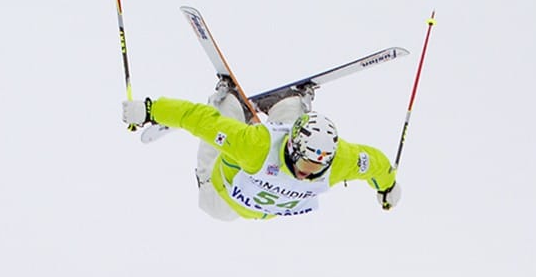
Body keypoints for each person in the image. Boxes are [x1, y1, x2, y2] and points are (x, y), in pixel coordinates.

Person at [121, 84, 401, 223]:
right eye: (305, 162)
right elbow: (199, 121)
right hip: (225, 193)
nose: (307, 172)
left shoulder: (339, 160)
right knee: (212, 202)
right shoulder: (255, 145)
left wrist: (388, 186)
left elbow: (375, 163)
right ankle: (229, 102)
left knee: (285, 129)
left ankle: (287, 104)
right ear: (293, 148)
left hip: (264, 208)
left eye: (317, 168)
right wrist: (150, 110)